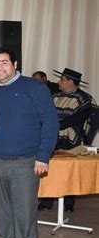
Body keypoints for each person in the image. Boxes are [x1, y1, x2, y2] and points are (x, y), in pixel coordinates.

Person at [0, 48, 59, 238]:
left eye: (4, 62)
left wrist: (43, 156)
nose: (0, 68)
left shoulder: (34, 88)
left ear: (15, 64)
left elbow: (50, 123)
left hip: (26, 163)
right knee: (0, 213)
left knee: (25, 214)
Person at [38, 68, 93, 212]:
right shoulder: (54, 96)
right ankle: (46, 201)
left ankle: (69, 203)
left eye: (62, 79)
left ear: (70, 82)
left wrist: (57, 125)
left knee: (69, 171)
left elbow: (79, 118)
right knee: (50, 169)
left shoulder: (84, 98)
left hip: (71, 138)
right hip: (53, 138)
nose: (59, 82)